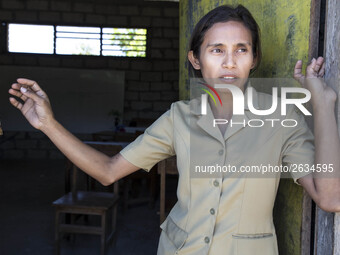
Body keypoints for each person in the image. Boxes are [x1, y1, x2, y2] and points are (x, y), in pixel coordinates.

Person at [8, 4, 340, 255]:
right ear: (195, 59)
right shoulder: (179, 117)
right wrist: (48, 124)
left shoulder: (281, 118)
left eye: (242, 49)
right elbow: (108, 171)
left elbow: (329, 197)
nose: (229, 62)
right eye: (216, 50)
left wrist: (323, 104)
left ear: (254, 59)